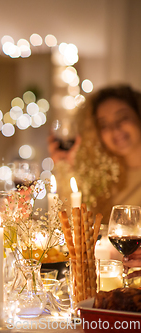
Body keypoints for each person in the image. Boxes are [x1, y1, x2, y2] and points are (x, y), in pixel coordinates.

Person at [48, 84, 141, 277]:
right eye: (104, 125)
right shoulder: (104, 175)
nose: (114, 129)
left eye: (123, 118)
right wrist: (65, 166)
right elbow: (73, 224)